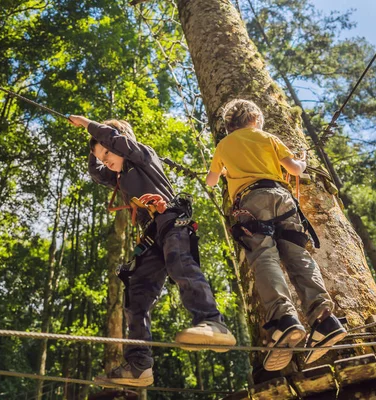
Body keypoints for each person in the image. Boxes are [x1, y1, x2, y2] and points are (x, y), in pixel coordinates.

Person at [69, 115, 236, 387]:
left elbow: (118, 142)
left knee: (179, 264)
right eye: (102, 156)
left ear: (123, 143)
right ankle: (139, 363)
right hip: (151, 235)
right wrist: (93, 152)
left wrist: (89, 124)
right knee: (137, 292)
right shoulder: (120, 176)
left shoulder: (142, 156)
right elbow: (97, 175)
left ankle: (211, 322)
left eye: (108, 152)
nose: (105, 160)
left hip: (171, 220)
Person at [205, 99, 346, 370]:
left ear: (229, 125)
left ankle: (285, 319)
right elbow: (294, 169)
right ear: (255, 119)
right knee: (297, 254)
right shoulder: (267, 137)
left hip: (251, 201)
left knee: (264, 256)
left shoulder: (223, 146)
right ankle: (324, 317)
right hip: (283, 198)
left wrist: (225, 170)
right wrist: (302, 162)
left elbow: (211, 181)